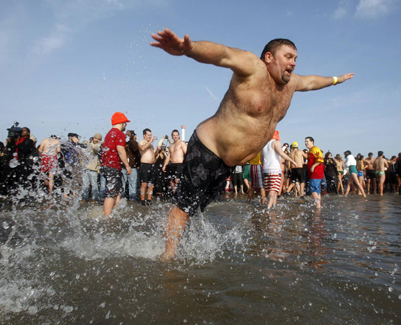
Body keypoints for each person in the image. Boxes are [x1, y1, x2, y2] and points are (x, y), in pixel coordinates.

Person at [151, 28, 353, 260]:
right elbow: (223, 54)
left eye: (296, 59)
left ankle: (177, 246)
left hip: (227, 164)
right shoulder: (253, 68)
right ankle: (167, 260)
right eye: (288, 56)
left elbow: (313, 82)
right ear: (269, 57)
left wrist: (337, 80)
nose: (294, 63)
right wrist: (189, 48)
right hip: (208, 148)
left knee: (196, 210)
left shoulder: (291, 84)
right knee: (185, 207)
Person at [100, 112, 131, 216]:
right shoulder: (119, 134)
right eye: (125, 123)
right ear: (121, 122)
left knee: (118, 191)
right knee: (111, 192)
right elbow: (121, 150)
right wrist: (127, 165)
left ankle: (113, 213)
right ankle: (106, 217)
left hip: (106, 166)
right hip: (112, 166)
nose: (126, 125)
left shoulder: (109, 133)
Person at [262, 130, 296, 208]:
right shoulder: (275, 143)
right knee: (273, 191)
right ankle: (268, 209)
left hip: (266, 170)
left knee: (273, 191)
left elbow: (261, 159)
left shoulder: (264, 145)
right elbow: (281, 153)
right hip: (275, 170)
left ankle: (274, 206)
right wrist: (292, 161)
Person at [81, 133, 102, 203]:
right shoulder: (88, 145)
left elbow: (97, 149)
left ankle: (94, 198)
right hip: (85, 168)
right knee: (85, 184)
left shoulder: (99, 145)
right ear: (93, 138)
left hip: (93, 169)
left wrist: (91, 146)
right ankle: (84, 198)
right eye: (96, 138)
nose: (97, 140)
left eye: (99, 139)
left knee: (94, 184)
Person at [304, 137, 324, 208]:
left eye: (307, 141)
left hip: (316, 172)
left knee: (313, 188)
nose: (306, 143)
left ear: (312, 142)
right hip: (314, 173)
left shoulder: (315, 149)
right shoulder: (310, 150)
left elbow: (320, 160)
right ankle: (319, 205)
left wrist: (313, 166)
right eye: (305, 141)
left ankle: (318, 205)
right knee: (317, 189)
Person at [138, 128, 157, 205]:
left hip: (152, 165)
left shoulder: (151, 144)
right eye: (148, 135)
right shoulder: (141, 142)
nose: (150, 136)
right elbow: (142, 148)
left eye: (150, 135)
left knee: (151, 184)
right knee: (144, 184)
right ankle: (142, 200)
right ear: (144, 135)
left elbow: (154, 154)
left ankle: (149, 199)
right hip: (145, 165)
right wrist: (150, 141)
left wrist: (158, 150)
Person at [122, 130, 140, 201]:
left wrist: (131, 137)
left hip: (132, 167)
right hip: (123, 166)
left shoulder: (135, 144)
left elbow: (135, 148)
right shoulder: (124, 143)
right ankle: (120, 199)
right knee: (122, 185)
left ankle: (132, 200)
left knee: (133, 185)